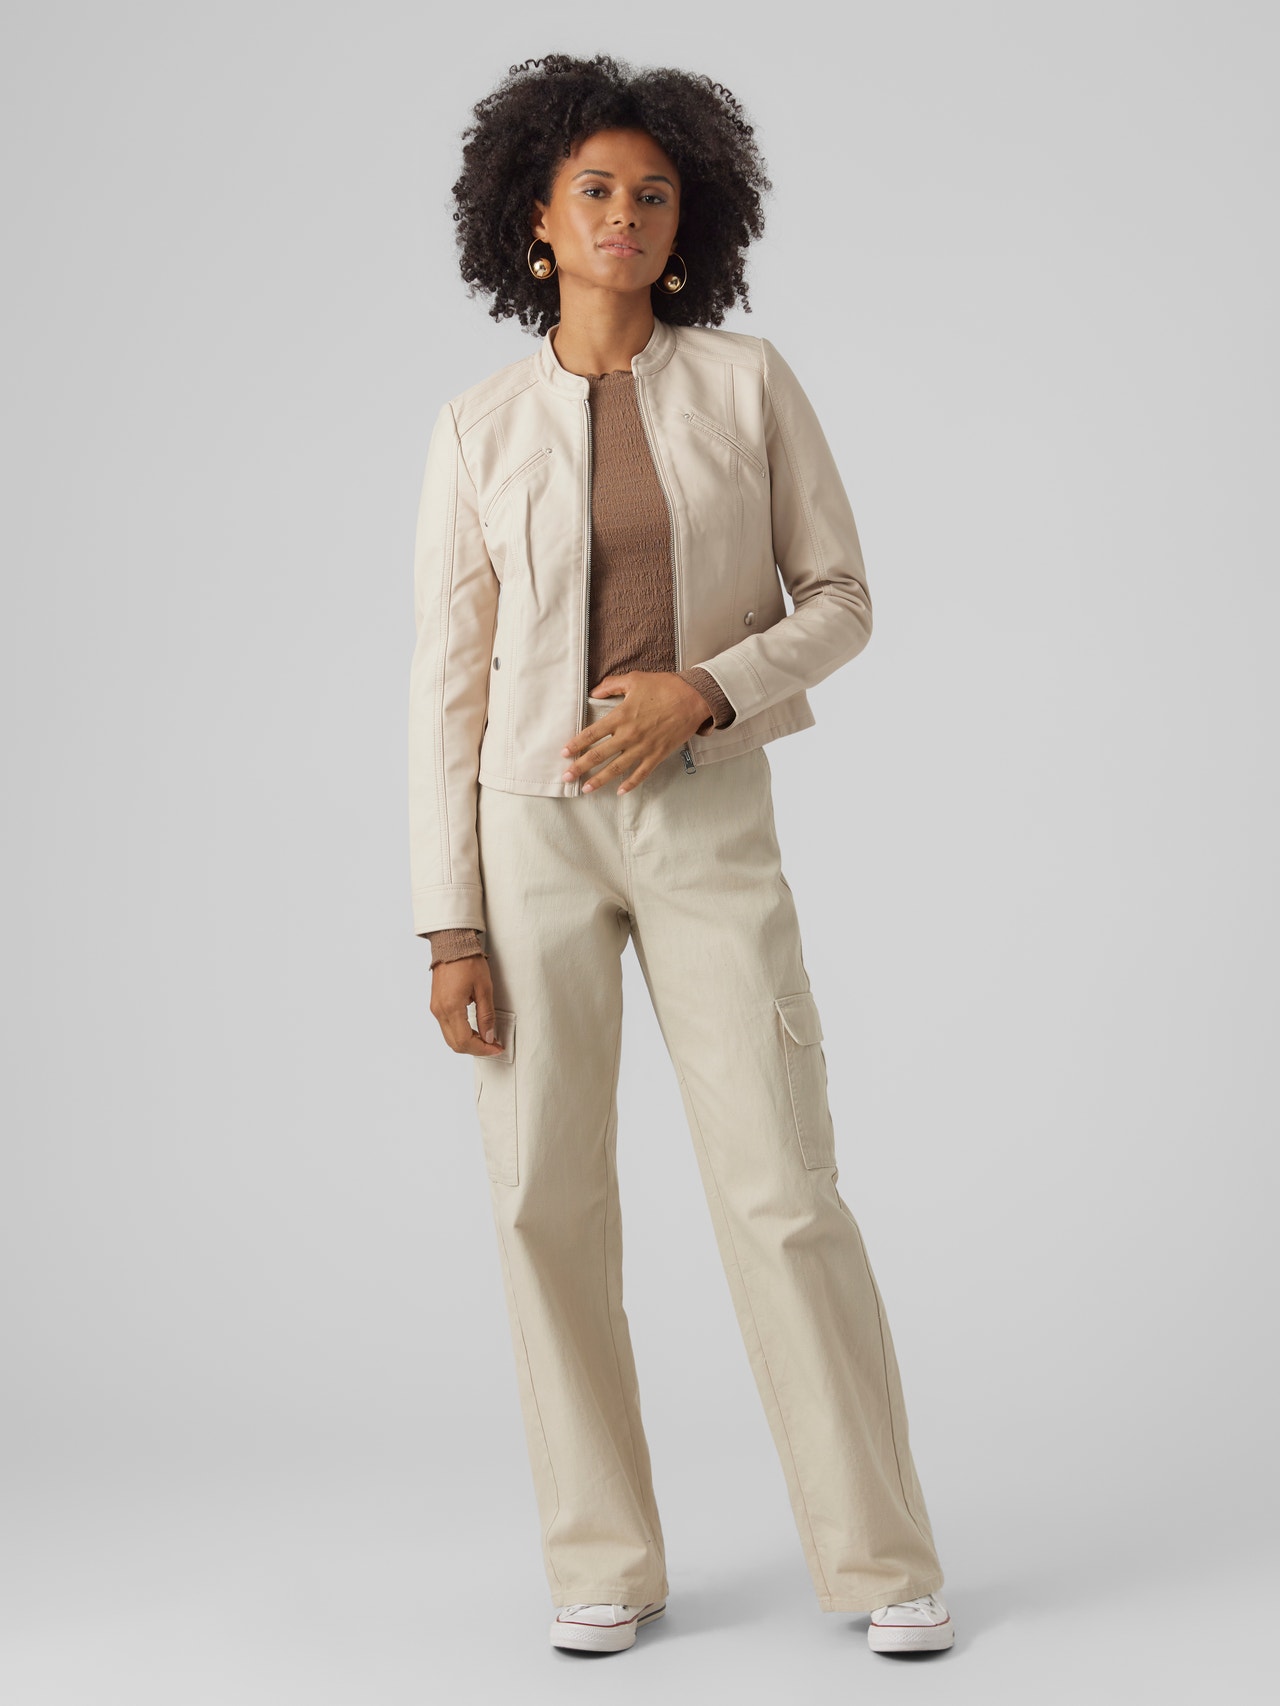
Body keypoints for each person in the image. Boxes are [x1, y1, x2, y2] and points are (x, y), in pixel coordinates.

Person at [408, 52, 956, 1659]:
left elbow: (841, 598)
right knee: (545, 1197)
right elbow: (443, 688)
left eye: (653, 194)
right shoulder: (476, 428)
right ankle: (602, 1558)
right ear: (534, 221)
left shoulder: (748, 385)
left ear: (687, 219)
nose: (626, 216)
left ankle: (882, 1556)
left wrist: (703, 688)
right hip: (529, 834)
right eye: (595, 191)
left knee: (782, 1183)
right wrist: (449, 924)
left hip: (706, 812)